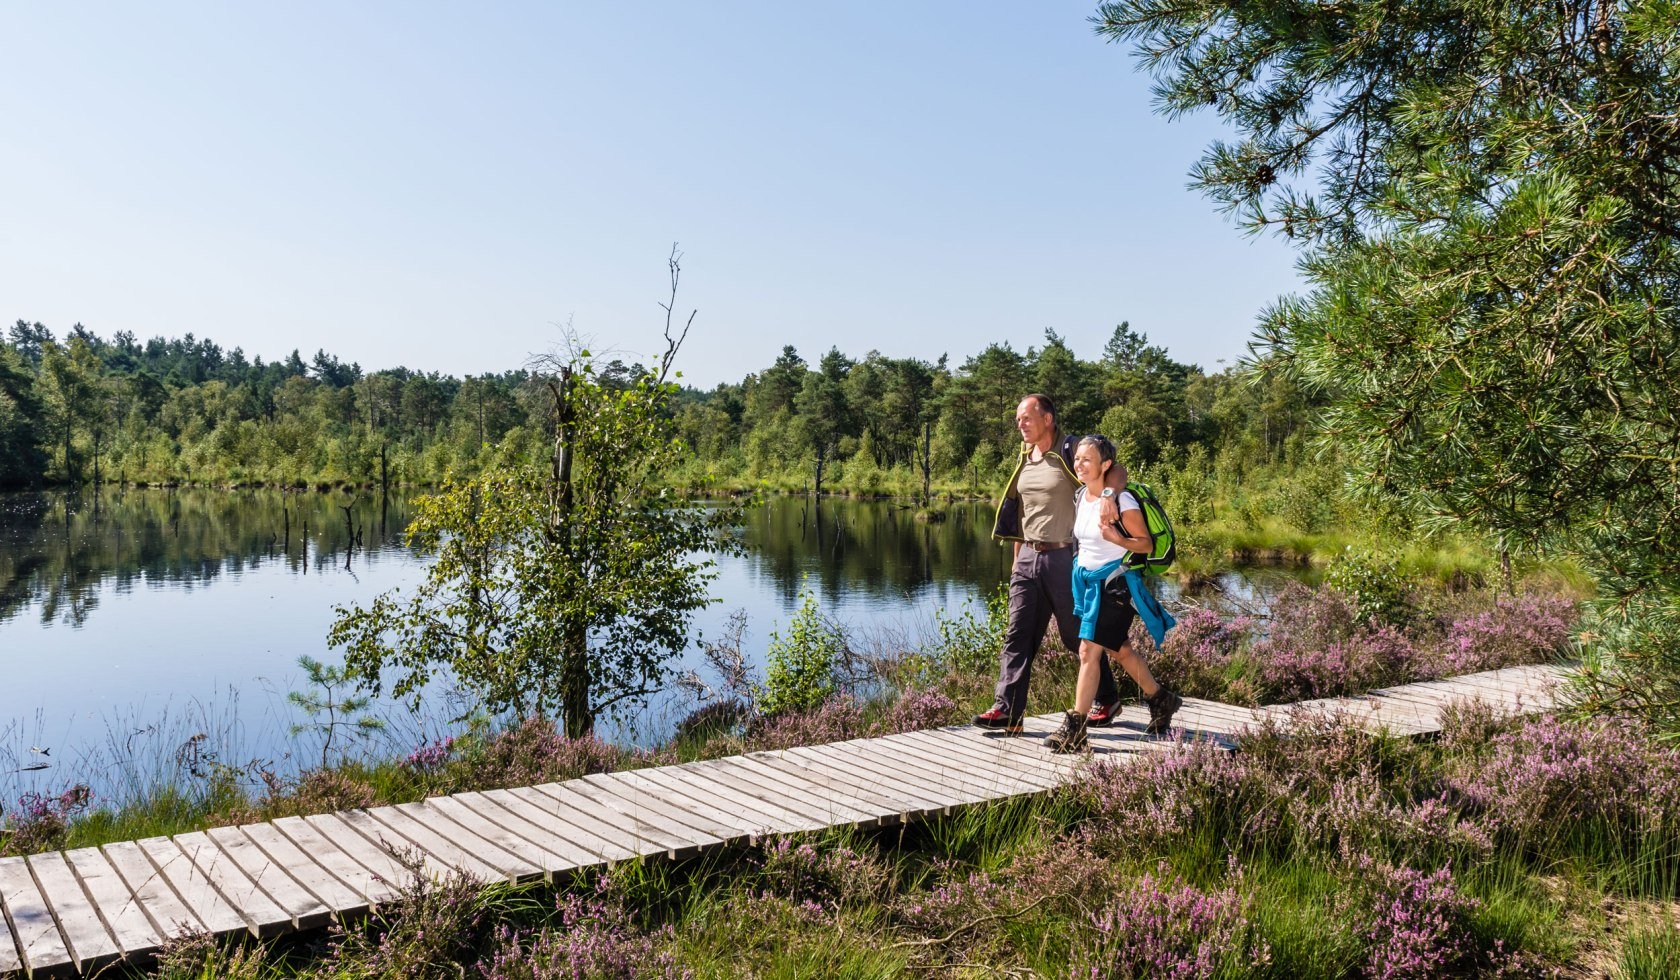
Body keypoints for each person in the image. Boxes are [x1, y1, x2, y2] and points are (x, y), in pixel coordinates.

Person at [974, 394, 1124, 733]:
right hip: (1027, 557)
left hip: (1064, 557)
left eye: (1027, 417)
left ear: (1048, 418)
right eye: (1017, 420)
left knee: (1076, 635)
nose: (1020, 424)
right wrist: (1017, 565)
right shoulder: (1025, 457)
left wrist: (1107, 496)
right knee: (1018, 634)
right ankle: (1008, 712)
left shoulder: (1071, 450)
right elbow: (1023, 513)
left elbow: (1116, 471)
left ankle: (1107, 698)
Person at [1044, 434, 1181, 753]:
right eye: (1077, 458)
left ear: (1106, 465)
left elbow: (1145, 544)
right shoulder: (1082, 496)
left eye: (1087, 459)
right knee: (1120, 649)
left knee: (1088, 651)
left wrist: (1117, 538)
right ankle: (1161, 699)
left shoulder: (1122, 501)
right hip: (1088, 582)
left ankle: (1075, 728)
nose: (1079, 464)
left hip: (1115, 584)